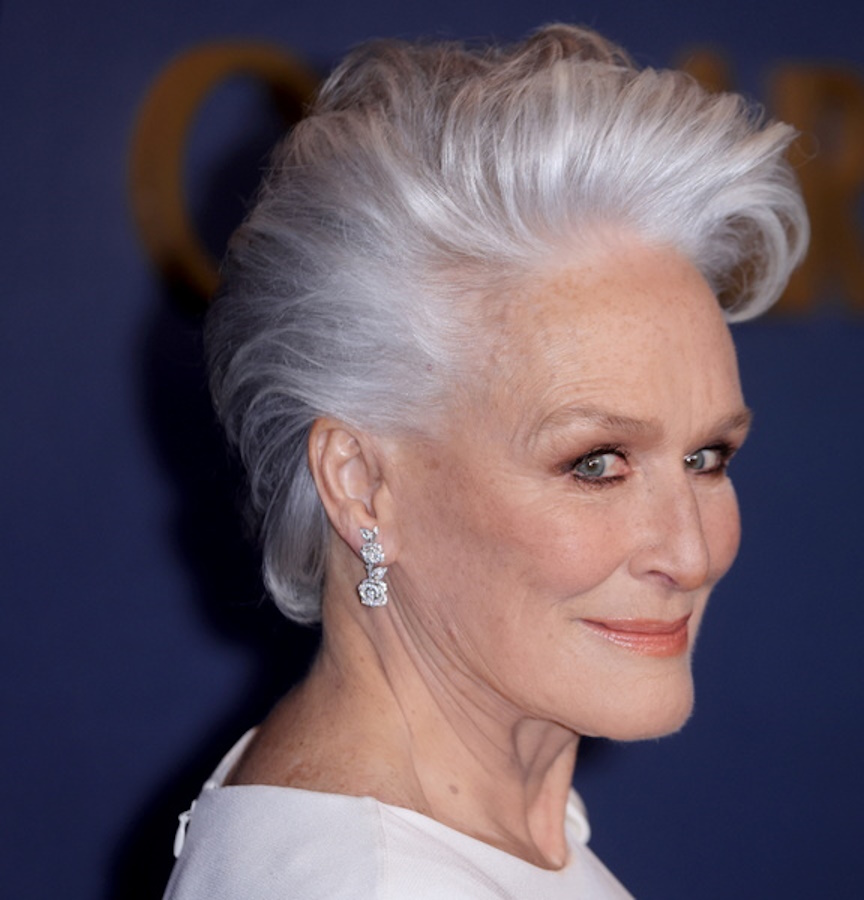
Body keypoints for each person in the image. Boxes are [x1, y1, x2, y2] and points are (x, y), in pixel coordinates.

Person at [162, 22, 807, 899]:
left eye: (707, 456)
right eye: (596, 463)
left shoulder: (469, 831)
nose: (691, 553)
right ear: (361, 486)